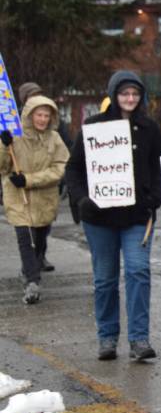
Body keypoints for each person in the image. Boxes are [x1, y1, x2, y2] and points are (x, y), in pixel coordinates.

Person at [66, 71, 161, 361]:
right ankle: (107, 338)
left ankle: (139, 339)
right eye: (125, 93)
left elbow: (160, 167)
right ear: (114, 95)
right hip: (100, 219)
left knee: (138, 271)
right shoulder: (94, 127)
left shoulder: (149, 128)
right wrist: (82, 200)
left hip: (137, 217)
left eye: (135, 93)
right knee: (105, 280)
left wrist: (155, 198)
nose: (130, 98)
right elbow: (73, 169)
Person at [1, 95, 69, 304]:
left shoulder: (55, 139)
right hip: (18, 199)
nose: (42, 119)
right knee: (25, 239)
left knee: (39, 240)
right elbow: (3, 167)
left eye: (46, 115)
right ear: (30, 115)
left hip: (45, 199)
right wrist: (4, 146)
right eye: (39, 115)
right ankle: (32, 282)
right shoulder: (14, 137)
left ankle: (30, 268)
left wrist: (29, 180)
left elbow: (60, 168)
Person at [17, 82, 72, 271]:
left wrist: (64, 178)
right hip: (21, 191)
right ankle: (31, 271)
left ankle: (40, 256)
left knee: (43, 227)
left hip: (48, 186)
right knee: (26, 231)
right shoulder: (15, 126)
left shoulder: (55, 127)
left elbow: (65, 152)